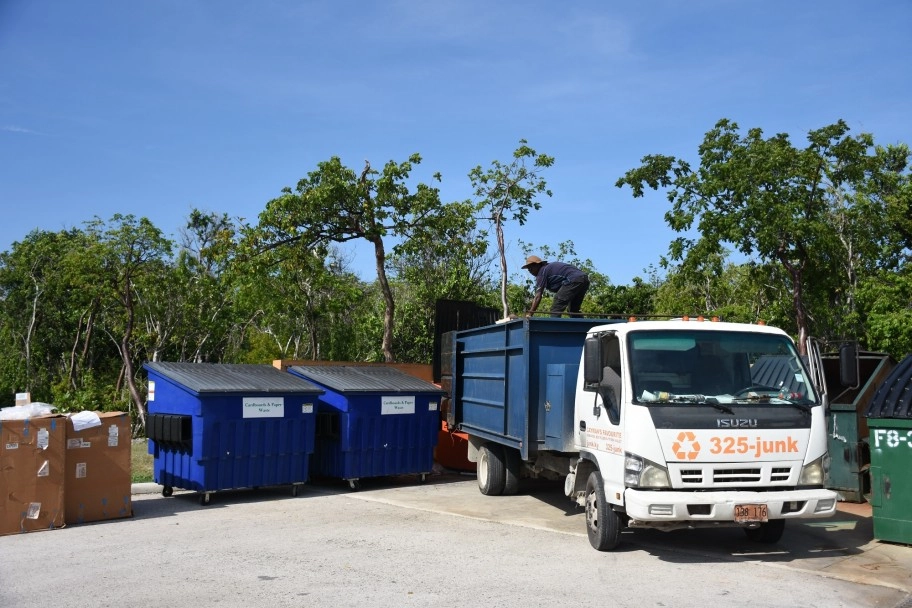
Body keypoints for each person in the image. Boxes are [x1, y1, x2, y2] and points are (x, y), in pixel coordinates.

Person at [522, 255, 590, 317]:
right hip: (584, 279)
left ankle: (554, 328)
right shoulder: (548, 269)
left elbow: (537, 297)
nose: (530, 271)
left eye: (531, 268)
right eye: (528, 270)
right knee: (573, 310)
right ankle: (580, 329)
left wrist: (530, 314)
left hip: (573, 279)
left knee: (556, 307)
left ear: (538, 265)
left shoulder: (542, 271)